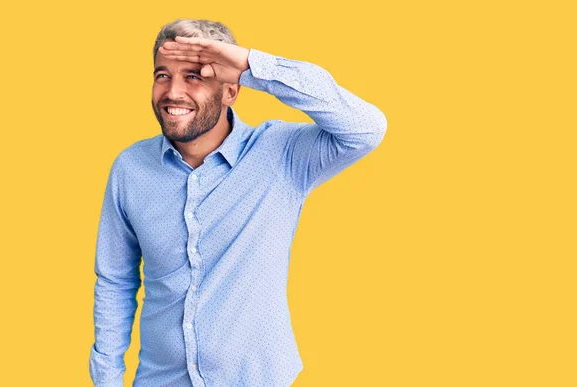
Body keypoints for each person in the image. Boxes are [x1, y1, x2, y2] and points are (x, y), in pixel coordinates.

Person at [90, 18, 387, 387]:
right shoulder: (130, 168)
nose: (173, 92)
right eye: (163, 75)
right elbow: (115, 281)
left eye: (194, 76)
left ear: (231, 90)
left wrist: (252, 65)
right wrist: (106, 380)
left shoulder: (282, 154)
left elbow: (367, 127)